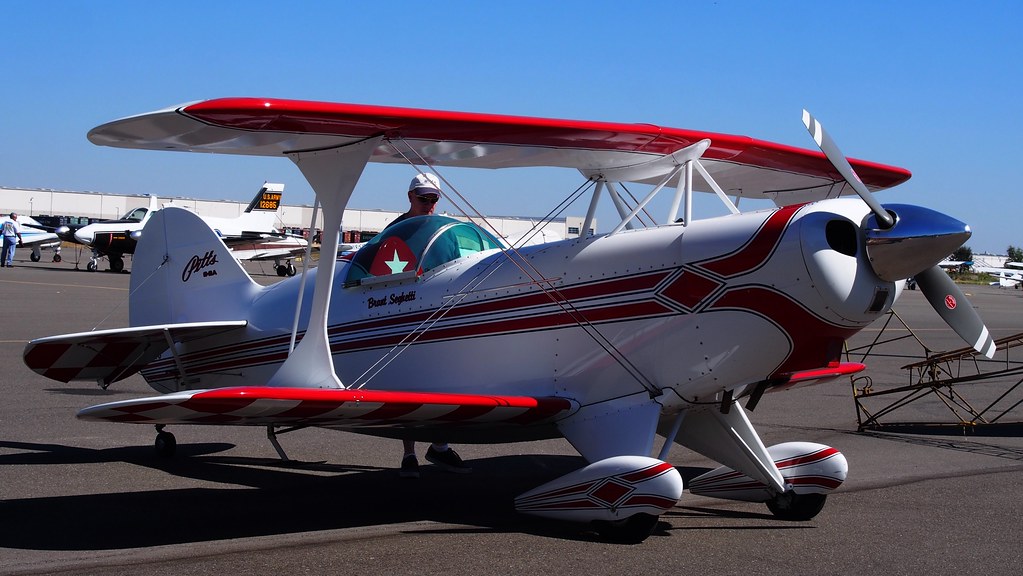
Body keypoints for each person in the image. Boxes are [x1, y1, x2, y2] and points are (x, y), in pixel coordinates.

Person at [387, 173, 472, 479]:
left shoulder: (446, 231)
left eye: (434, 198)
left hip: (436, 313)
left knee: (442, 381)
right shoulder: (394, 231)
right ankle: (409, 456)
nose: (429, 204)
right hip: (403, 313)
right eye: (424, 198)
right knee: (407, 384)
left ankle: (439, 445)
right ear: (410, 197)